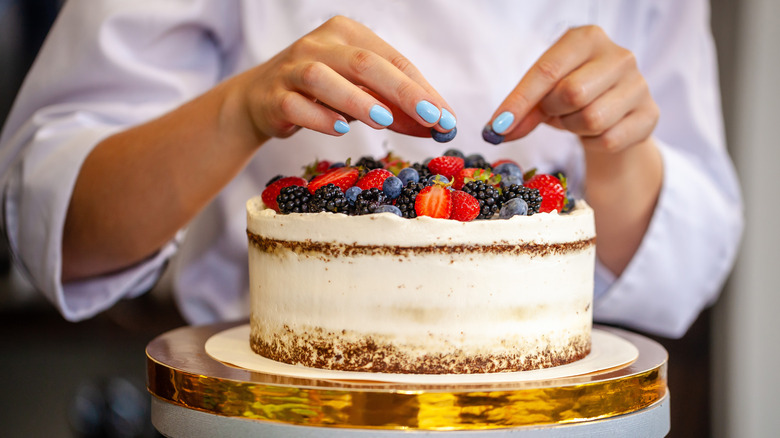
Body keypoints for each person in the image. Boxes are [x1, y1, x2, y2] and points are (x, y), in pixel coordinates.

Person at [0, 0, 742, 338]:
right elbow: (63, 227)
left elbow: (686, 270)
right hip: (274, 416)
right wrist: (240, 110)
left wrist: (615, 153)